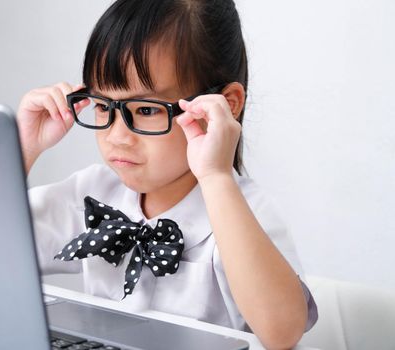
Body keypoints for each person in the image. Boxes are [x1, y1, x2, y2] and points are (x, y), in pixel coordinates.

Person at [17, 0, 318, 348]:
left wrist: (216, 177)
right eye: (103, 106)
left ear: (225, 104)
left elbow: (282, 332)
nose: (117, 136)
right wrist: (23, 148)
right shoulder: (91, 193)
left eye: (145, 109)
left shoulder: (243, 208)